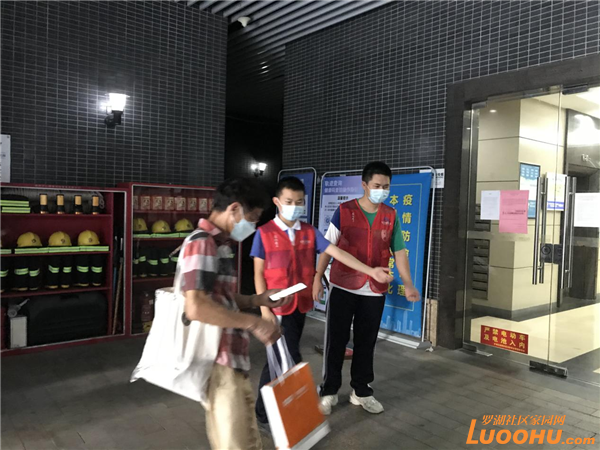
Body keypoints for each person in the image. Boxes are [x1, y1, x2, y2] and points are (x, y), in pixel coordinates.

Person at [251, 176, 393, 428]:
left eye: (299, 202)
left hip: (299, 306)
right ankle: (275, 416)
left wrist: (370, 271)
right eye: (288, 201)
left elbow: (338, 253)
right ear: (277, 202)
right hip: (276, 308)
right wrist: (264, 311)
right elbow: (258, 274)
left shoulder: (308, 232)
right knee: (288, 358)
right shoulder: (264, 233)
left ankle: (265, 413)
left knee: (279, 359)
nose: (294, 206)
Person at [180, 177, 293, 450]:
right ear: (234, 209)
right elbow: (196, 307)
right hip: (218, 360)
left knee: (246, 438)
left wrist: (257, 299)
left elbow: (221, 299)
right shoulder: (201, 243)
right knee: (235, 443)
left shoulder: (219, 244)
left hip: (231, 358)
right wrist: (255, 323)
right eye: (251, 219)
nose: (251, 227)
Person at [314, 161, 421, 416]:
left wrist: (408, 283)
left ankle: (361, 391)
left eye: (386, 186)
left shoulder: (391, 215)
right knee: (336, 341)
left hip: (374, 290)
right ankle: (329, 390)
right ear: (364, 185)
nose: (382, 191)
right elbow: (328, 247)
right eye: (377, 186)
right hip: (343, 285)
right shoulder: (344, 211)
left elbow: (400, 252)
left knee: (366, 342)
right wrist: (317, 276)